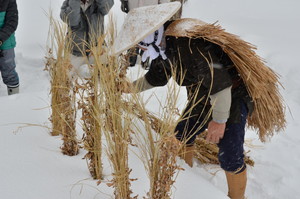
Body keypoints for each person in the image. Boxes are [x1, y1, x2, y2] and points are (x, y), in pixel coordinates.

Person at [123, 18, 254, 199]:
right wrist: (127, 89)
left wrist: (219, 120)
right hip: (204, 95)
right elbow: (156, 77)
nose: (141, 49)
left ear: (150, 36)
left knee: (230, 154)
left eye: (141, 44)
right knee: (182, 135)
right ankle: (188, 179)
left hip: (232, 95)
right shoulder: (164, 47)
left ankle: (236, 197)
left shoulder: (188, 44)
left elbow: (220, 83)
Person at [60, 0, 114, 78]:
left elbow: (106, 8)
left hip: (97, 49)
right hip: (75, 51)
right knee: (65, 77)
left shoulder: (99, 2)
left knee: (109, 75)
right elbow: (73, 21)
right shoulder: (68, 3)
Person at [0, 0, 19, 95]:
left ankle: (14, 101)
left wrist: (0, 38)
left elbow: (12, 22)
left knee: (9, 73)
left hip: (6, 43)